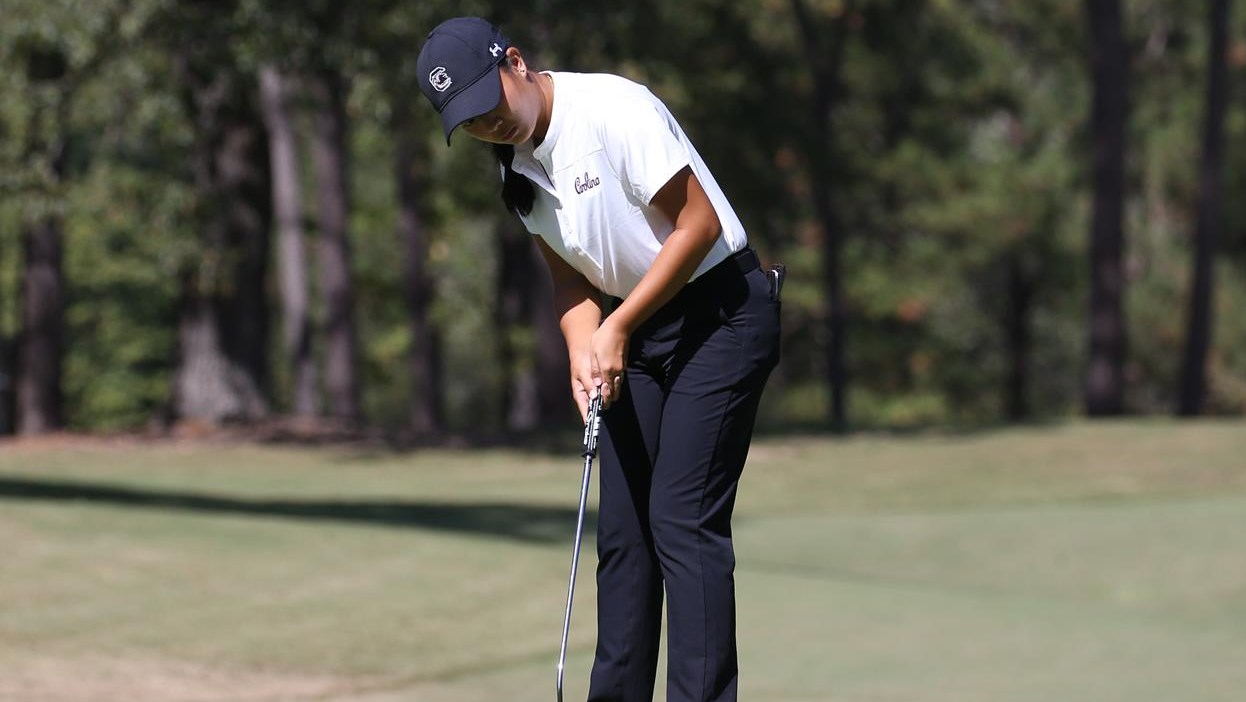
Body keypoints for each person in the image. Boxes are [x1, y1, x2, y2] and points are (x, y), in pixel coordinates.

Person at [416, 17, 781, 702]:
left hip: (722, 314)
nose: (489, 124)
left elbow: (698, 226)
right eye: (471, 121)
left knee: (681, 520)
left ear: (515, 62)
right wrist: (583, 352)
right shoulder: (518, 166)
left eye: (489, 103)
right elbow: (570, 280)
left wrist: (619, 327)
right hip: (634, 329)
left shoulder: (613, 109)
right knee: (623, 536)